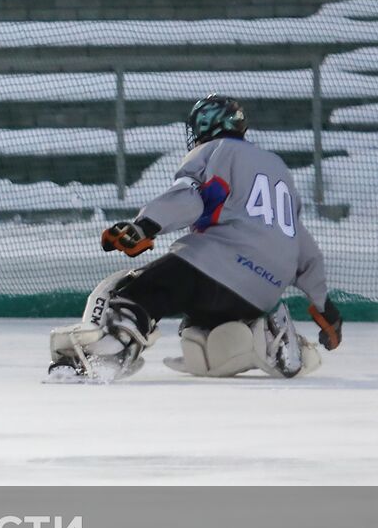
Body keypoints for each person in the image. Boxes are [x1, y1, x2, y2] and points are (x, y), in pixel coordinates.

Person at [48, 94, 342, 382]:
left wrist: (144, 226)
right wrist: (323, 306)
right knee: (200, 335)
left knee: (134, 291)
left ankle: (108, 353)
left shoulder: (213, 151)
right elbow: (302, 245)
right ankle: (263, 331)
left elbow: (193, 198)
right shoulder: (278, 169)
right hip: (265, 291)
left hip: (218, 265)